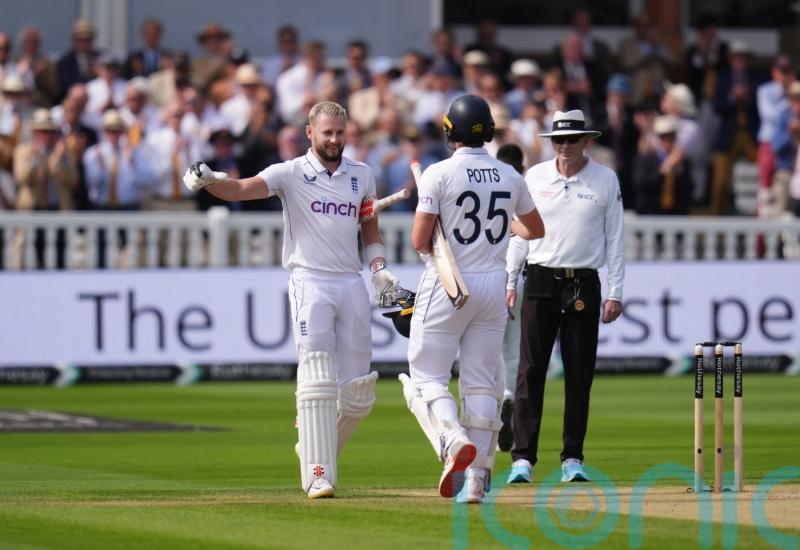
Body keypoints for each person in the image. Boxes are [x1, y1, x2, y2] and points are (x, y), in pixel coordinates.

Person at [182, 101, 399, 499]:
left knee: (358, 392)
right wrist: (211, 179)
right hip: (309, 279)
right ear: (310, 133)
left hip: (351, 281)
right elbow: (240, 189)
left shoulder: (362, 175)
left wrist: (380, 269)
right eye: (326, 132)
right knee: (317, 375)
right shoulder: (290, 172)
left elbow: (370, 229)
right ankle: (319, 473)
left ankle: (315, 445)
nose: (334, 139)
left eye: (339, 132)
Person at [400, 95, 544, 504]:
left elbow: (419, 241)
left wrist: (447, 221)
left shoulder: (438, 174)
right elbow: (534, 230)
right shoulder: (510, 175)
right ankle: (478, 479)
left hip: (449, 284)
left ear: (450, 132)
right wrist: (491, 231)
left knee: (426, 376)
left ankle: (451, 437)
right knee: (483, 382)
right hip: (492, 285)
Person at [506, 109, 624, 485]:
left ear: (586, 140)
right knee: (530, 371)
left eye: (572, 139)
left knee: (578, 374)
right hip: (540, 278)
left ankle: (572, 457)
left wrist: (616, 291)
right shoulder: (535, 176)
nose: (565, 146)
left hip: (583, 282)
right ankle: (522, 459)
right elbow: (521, 232)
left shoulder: (605, 179)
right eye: (559, 140)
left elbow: (616, 239)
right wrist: (509, 280)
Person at [495, 143, 527, 453]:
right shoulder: (525, 187)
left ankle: (490, 410)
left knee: (486, 347)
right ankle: (508, 397)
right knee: (515, 350)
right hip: (521, 280)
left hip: (489, 277)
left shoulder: (489, 186)